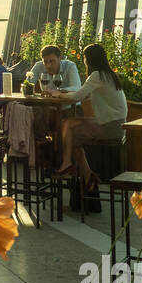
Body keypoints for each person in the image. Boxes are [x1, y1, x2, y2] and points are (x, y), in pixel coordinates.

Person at [49, 43, 128, 193]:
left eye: (84, 57)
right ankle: (86, 173)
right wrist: (64, 92)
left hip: (111, 127)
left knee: (69, 128)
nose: (84, 60)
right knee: (70, 129)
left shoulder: (97, 75)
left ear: (90, 59)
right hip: (116, 124)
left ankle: (67, 164)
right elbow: (85, 94)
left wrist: (58, 94)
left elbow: (78, 96)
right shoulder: (107, 74)